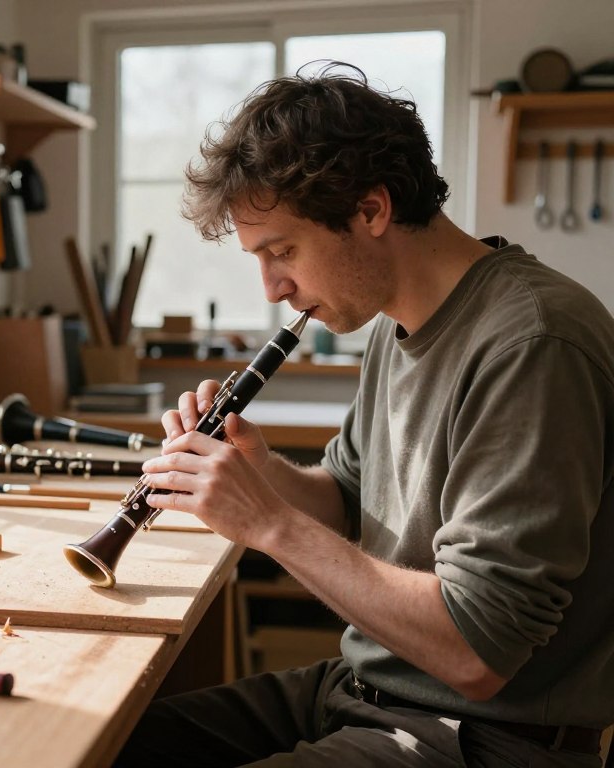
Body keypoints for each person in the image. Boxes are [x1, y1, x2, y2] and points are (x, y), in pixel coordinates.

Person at [115, 63, 614, 767]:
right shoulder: (390, 324)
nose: (273, 288)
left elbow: (478, 651)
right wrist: (260, 472)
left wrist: (268, 522)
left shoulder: (534, 343)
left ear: (372, 210)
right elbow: (349, 505)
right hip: (367, 689)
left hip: (484, 734)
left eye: (282, 251)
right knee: (106, 744)